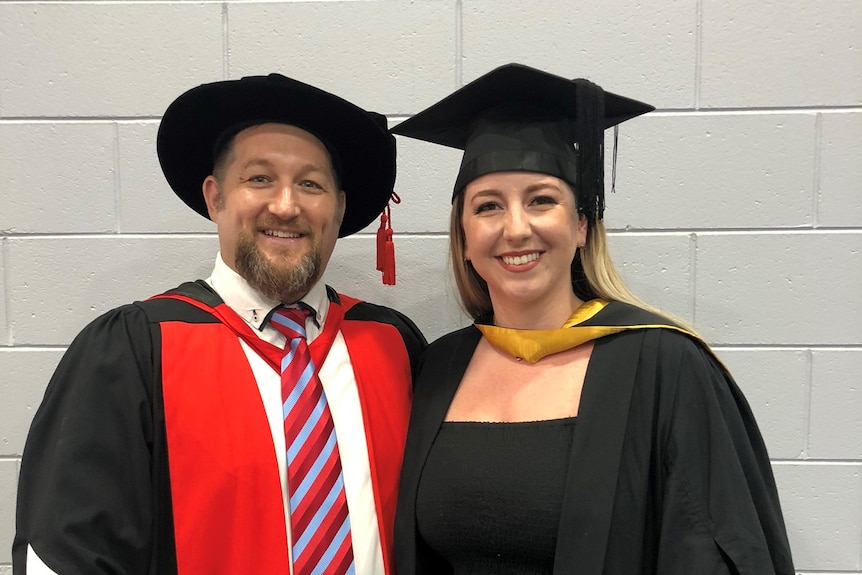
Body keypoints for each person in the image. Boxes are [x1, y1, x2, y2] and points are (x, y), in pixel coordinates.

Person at [13, 73, 426, 575]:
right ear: (214, 197)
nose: (286, 205)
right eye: (259, 179)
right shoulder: (134, 350)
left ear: (337, 208)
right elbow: (66, 557)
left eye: (311, 184)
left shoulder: (392, 345)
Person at [390, 63, 795, 574]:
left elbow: (719, 549)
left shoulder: (663, 364)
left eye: (541, 200)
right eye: (488, 206)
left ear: (581, 224)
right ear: (465, 237)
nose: (516, 228)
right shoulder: (439, 366)